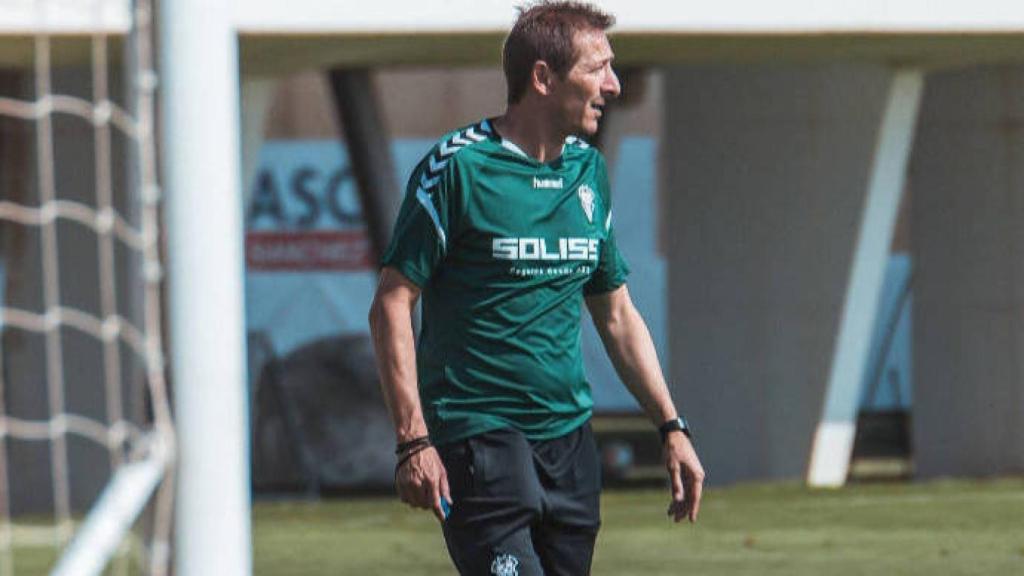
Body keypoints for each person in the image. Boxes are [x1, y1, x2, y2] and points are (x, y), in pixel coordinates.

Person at [368, 2, 704, 574]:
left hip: (569, 443)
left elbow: (616, 313)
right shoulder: (458, 170)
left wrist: (671, 426)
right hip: (479, 436)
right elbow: (392, 304)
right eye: (597, 68)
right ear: (543, 78)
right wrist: (413, 441)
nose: (613, 85)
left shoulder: (587, 173)